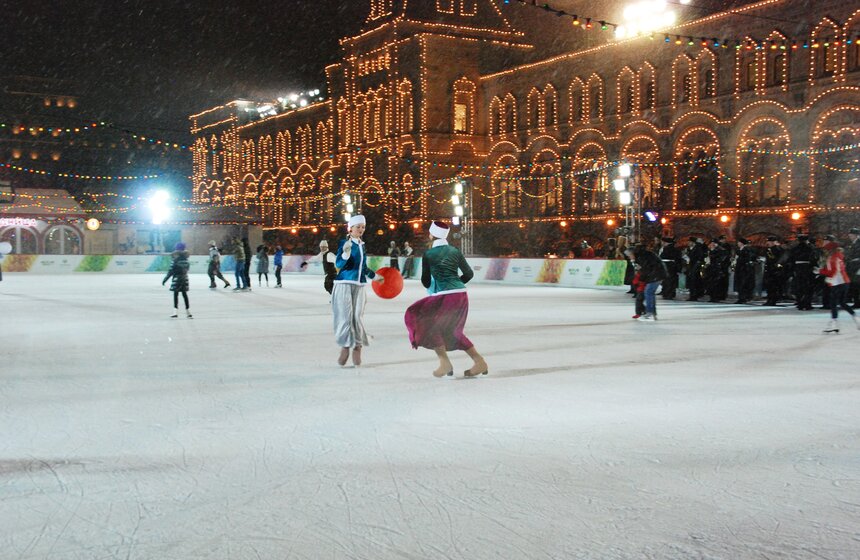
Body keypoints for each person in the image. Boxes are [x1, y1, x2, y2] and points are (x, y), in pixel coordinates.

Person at [404, 221, 488, 378]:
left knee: (427, 323)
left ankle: (445, 362)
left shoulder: (429, 254)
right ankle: (478, 361)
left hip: (445, 296)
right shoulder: (454, 251)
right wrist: (455, 283)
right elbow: (469, 274)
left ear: (431, 234)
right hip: (460, 294)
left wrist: (442, 286)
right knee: (452, 331)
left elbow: (426, 281)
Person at [333, 215, 384, 367]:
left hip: (359, 284)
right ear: (351, 228)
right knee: (345, 317)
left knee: (357, 317)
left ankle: (357, 346)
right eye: (358, 227)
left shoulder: (362, 245)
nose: (361, 229)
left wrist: (375, 276)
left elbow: (363, 268)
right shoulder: (345, 243)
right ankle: (345, 346)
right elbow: (339, 263)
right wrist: (345, 254)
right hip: (344, 283)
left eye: (363, 227)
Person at [816, 241, 859, 333]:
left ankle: (834, 323)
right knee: (842, 303)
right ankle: (855, 318)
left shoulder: (833, 258)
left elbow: (833, 271)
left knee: (833, 303)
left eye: (826, 249)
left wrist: (820, 271)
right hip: (844, 281)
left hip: (838, 282)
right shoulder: (838, 256)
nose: (825, 251)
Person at [628, 245, 666, 321]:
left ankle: (650, 313)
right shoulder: (643, 255)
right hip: (656, 275)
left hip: (656, 275)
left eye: (629, 255)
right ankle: (652, 313)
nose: (629, 257)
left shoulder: (642, 258)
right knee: (649, 292)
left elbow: (645, 270)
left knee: (648, 292)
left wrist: (641, 279)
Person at [163, 242, 192, 318]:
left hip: (177, 278)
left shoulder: (175, 260)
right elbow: (188, 268)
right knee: (184, 294)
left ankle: (175, 312)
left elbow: (171, 271)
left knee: (176, 294)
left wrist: (165, 279)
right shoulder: (186, 260)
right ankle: (188, 312)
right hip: (185, 278)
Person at [762, 236, 785, 305]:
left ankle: (773, 300)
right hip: (769, 269)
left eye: (769, 241)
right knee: (769, 285)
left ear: (773, 242)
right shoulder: (769, 249)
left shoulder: (778, 249)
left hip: (775, 270)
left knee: (773, 286)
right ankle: (770, 299)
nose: (767, 243)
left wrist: (778, 267)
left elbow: (781, 260)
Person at [733, 237, 756, 304]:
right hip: (740, 269)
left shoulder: (746, 249)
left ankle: (743, 298)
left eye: (738, 242)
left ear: (741, 243)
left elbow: (746, 258)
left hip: (744, 269)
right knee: (741, 283)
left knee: (743, 284)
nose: (737, 243)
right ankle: (742, 297)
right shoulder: (741, 249)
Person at [846, 227, 860, 308]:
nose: (850, 236)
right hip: (853, 267)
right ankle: (856, 301)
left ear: (856, 235)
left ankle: (857, 302)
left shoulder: (858, 243)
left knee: (856, 285)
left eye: (851, 235)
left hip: (857, 266)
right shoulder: (853, 244)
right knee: (855, 285)